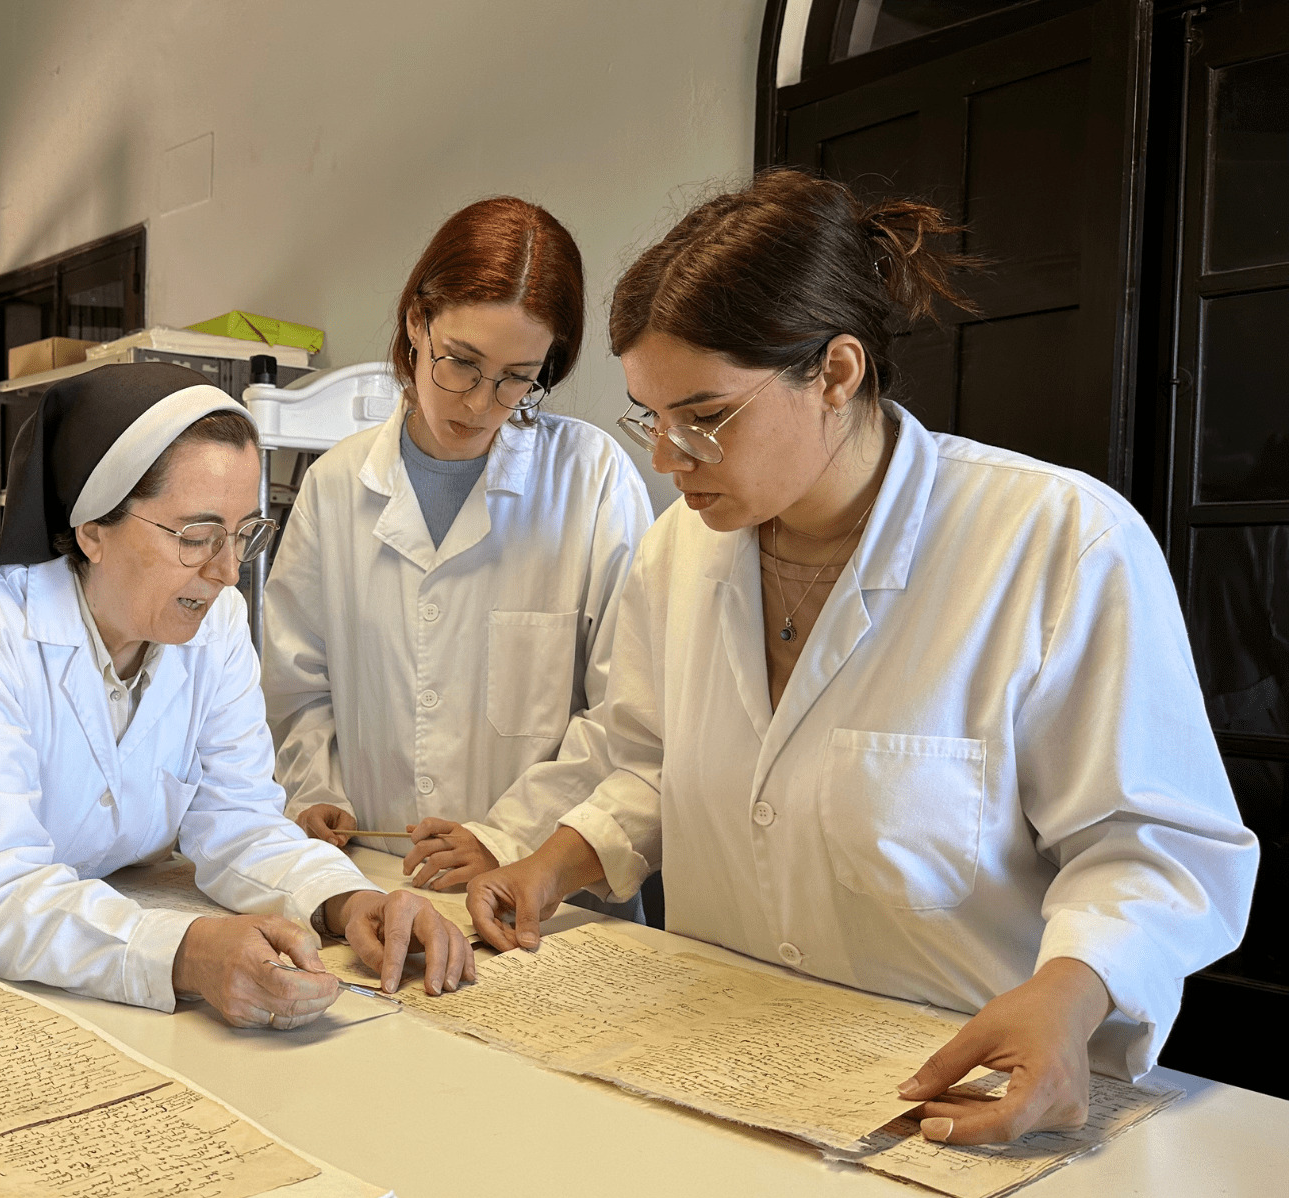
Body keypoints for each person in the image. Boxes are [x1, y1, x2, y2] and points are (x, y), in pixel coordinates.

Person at [464, 169, 1258, 1144]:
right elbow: (646, 760)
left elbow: (1152, 843)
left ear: (835, 373)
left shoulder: (1057, 542)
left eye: (703, 416)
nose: (667, 459)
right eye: (649, 417)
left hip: (953, 1105)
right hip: (718, 1078)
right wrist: (549, 862)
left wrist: (1074, 988)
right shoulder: (681, 551)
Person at [0, 362, 472, 1027]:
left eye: (244, 534)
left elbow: (237, 821)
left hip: (41, 949)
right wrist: (186, 952)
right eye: (197, 535)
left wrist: (348, 900)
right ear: (92, 529)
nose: (228, 571)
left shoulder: (214, 621)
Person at [261, 197, 652, 917]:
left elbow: (628, 712)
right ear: (417, 324)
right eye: (461, 363)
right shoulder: (338, 486)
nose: (479, 402)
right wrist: (315, 793)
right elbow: (298, 688)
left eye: (516, 378)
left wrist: (508, 839)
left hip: (551, 898)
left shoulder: (591, 479)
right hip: (378, 881)